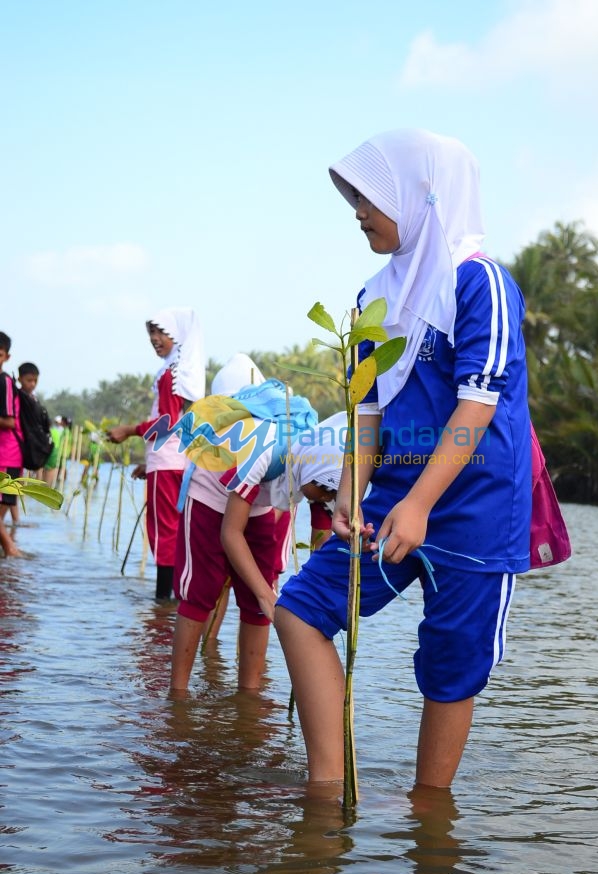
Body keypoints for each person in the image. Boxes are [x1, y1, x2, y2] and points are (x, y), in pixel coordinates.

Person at [274, 128, 532, 789]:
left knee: (450, 662)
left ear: (424, 195)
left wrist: (420, 504)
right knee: (299, 611)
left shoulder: (481, 284)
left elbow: (476, 404)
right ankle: (329, 793)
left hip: (475, 503)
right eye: (353, 198)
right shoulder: (371, 299)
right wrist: (347, 495)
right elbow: (367, 413)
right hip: (391, 499)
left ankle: (426, 809)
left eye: (370, 197)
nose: (358, 212)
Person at [169, 352, 346, 694]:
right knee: (200, 593)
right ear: (313, 479)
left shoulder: (326, 465)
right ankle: (177, 694)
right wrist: (267, 595)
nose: (320, 502)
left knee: (258, 603)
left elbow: (323, 538)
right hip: (214, 494)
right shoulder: (264, 449)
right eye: (320, 495)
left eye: (328, 499)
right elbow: (230, 533)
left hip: (259, 503)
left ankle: (249, 695)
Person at [108, 308, 205, 600]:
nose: (154, 338)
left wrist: (129, 429)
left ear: (176, 335)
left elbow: (167, 422)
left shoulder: (170, 375)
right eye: (151, 332)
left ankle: (163, 604)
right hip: (179, 462)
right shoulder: (181, 372)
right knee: (176, 532)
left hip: (167, 465)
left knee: (164, 534)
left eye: (161, 332)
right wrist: (146, 464)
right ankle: (175, 600)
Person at [0, 331, 23, 556]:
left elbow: (8, 421)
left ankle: (11, 550)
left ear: (6, 357)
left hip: (7, 455)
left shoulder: (4, 381)